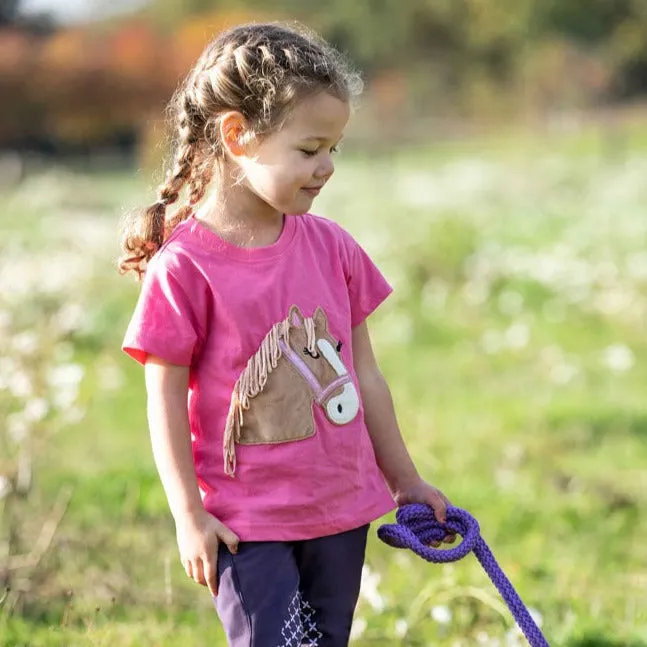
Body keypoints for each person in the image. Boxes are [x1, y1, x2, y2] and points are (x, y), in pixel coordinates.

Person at [119, 21, 453, 647]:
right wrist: (189, 515)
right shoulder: (184, 267)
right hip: (244, 522)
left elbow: (365, 375)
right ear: (237, 136)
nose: (327, 167)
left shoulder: (334, 249)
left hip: (339, 507)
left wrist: (405, 478)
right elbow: (162, 399)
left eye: (335, 149)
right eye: (308, 150)